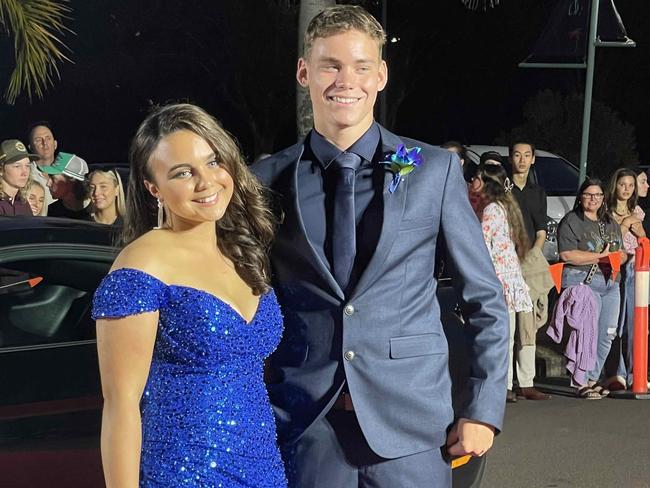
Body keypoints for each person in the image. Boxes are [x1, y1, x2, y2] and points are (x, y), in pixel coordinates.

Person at [251, 6, 509, 487]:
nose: (345, 80)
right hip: (307, 425)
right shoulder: (265, 180)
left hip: (411, 428)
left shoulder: (432, 170)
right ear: (305, 71)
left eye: (361, 66)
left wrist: (484, 408)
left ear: (381, 76)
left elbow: (486, 300)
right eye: (330, 65)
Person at [91, 103, 286, 487]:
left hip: (262, 467)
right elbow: (120, 406)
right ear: (153, 188)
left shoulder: (241, 252)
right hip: (182, 473)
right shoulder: (141, 265)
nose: (207, 182)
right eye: (183, 173)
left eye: (214, 162)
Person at [468, 164, 533, 404]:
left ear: (485, 183)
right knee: (505, 335)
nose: (471, 182)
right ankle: (503, 384)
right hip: (506, 275)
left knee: (499, 335)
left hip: (497, 277)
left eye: (475, 178)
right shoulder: (502, 206)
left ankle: (501, 385)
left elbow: (482, 244)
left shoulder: (492, 210)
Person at [557, 178, 626, 399]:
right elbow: (567, 255)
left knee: (607, 333)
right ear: (580, 197)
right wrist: (601, 256)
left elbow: (621, 251)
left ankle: (591, 377)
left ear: (603, 199)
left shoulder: (609, 223)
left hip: (611, 282)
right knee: (584, 333)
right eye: (588, 194)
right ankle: (579, 381)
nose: (593, 199)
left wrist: (620, 257)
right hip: (583, 281)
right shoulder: (571, 221)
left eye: (598, 195)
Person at [507, 141, 553, 401]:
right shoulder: (502, 190)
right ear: (511, 158)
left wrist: (533, 252)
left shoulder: (538, 192)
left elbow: (541, 228)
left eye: (527, 155)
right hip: (505, 263)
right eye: (517, 155)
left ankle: (526, 381)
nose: (522, 160)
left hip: (529, 262)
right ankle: (504, 385)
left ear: (533, 159)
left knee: (528, 324)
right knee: (506, 325)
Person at [605, 168, 645, 391]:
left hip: (634, 271)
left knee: (633, 324)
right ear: (615, 186)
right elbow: (611, 242)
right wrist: (623, 224)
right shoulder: (606, 212)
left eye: (631, 185)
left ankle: (634, 372)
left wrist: (637, 227)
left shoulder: (637, 211)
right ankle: (615, 372)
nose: (627, 189)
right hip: (614, 271)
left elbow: (643, 240)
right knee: (614, 324)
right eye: (623, 184)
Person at [41, 152, 92, 220]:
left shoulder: (97, 209)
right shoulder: (52, 211)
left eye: (53, 178)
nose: (48, 183)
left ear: (72, 180)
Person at [0, 139, 39, 216]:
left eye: (27, 166)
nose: (25, 173)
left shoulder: (23, 203)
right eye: (17, 166)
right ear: (1, 170)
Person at [27, 121, 58, 208]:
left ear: (55, 144)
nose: (45, 143)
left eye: (48, 138)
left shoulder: (70, 171)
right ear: (30, 148)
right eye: (38, 140)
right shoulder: (25, 174)